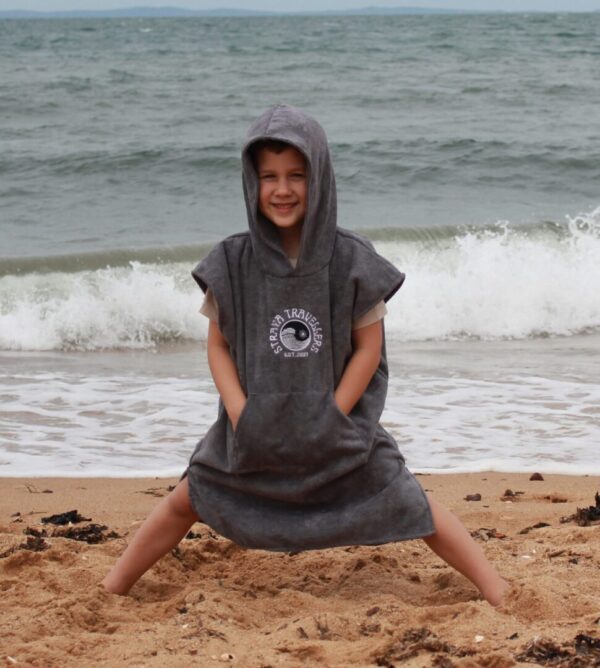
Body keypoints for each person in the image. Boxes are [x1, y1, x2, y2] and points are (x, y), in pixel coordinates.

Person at [102, 104, 509, 606]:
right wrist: (239, 412)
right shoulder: (233, 261)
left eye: (297, 175)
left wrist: (336, 412)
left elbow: (369, 347)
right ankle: (111, 587)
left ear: (321, 177)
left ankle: (496, 588)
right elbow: (218, 346)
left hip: (336, 433)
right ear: (252, 183)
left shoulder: (351, 260)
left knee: (406, 497)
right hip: (254, 432)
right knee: (188, 497)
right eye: (269, 177)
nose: (283, 189)